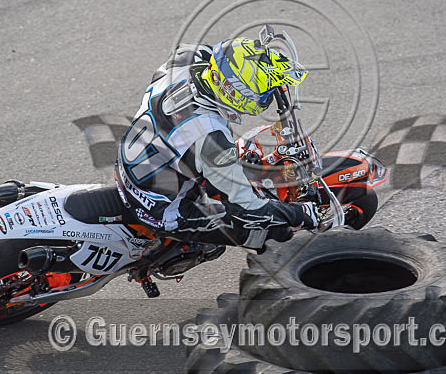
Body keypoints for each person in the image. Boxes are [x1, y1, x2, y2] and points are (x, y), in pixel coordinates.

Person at [115, 37, 319, 250]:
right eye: (261, 92)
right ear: (236, 93)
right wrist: (300, 213)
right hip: (157, 207)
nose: (265, 98)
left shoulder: (182, 65)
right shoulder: (210, 137)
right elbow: (248, 210)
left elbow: (208, 52)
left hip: (142, 161)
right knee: (267, 231)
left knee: (235, 165)